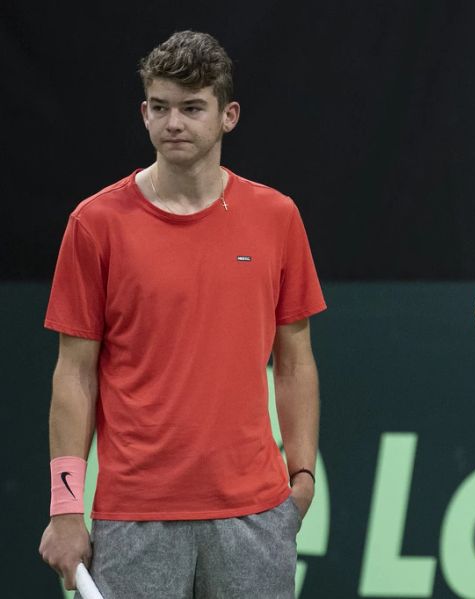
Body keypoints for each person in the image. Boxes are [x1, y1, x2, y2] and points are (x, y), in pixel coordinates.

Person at [38, 31, 325, 597]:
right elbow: (74, 374)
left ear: (228, 116)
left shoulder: (277, 217)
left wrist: (303, 479)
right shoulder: (94, 224)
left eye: (193, 108)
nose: (174, 123)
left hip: (257, 517)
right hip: (135, 516)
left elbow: (295, 361)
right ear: (144, 113)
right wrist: (66, 507)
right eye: (161, 107)